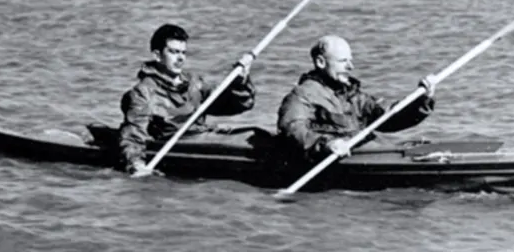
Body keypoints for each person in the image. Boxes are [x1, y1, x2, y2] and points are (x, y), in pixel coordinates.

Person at [118, 23, 256, 175]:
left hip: (206, 136)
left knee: (257, 135)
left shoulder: (194, 83)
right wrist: (136, 165)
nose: (180, 58)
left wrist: (240, 82)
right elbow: (133, 136)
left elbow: (236, 105)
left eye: (183, 53)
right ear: (157, 55)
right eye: (173, 52)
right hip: (180, 143)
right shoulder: (143, 92)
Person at [276, 34, 436, 161]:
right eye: (342, 61)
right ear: (321, 62)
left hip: (364, 152)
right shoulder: (302, 95)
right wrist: (326, 144)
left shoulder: (354, 96)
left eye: (350, 61)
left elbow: (388, 118)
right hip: (332, 158)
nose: (350, 67)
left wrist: (421, 100)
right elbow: (292, 128)